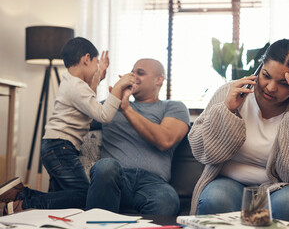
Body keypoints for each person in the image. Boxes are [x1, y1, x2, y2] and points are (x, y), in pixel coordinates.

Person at [188, 39, 289, 225]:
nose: (270, 87)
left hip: (282, 187)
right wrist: (227, 110)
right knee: (216, 199)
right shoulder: (229, 93)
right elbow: (201, 151)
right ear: (260, 67)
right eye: (266, 75)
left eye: (283, 83)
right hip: (228, 181)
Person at [0, 37, 134, 215]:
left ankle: (20, 194)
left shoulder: (73, 83)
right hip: (60, 147)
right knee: (83, 195)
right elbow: (103, 115)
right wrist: (118, 86)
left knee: (62, 197)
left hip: (55, 146)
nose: (96, 69)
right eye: (95, 63)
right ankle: (24, 201)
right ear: (86, 59)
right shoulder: (77, 87)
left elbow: (89, 102)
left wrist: (99, 76)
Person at [85, 58, 190, 216]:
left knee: (167, 200)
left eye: (140, 73)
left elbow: (165, 140)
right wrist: (97, 80)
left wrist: (126, 109)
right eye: (132, 73)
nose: (133, 77)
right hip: (116, 177)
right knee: (105, 166)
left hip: (153, 183)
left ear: (159, 80)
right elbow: (78, 116)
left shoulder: (173, 107)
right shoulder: (110, 105)